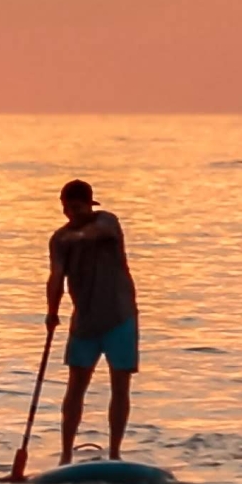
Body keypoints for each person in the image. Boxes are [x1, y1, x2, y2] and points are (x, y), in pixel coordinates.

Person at [46, 179, 139, 464]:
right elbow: (56, 277)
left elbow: (92, 233)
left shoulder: (107, 222)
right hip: (84, 322)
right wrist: (52, 312)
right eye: (65, 209)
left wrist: (70, 235)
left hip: (120, 318)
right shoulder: (59, 240)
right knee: (75, 388)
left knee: (120, 387)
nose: (69, 214)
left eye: (75, 208)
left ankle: (115, 453)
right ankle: (65, 455)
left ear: (89, 205)